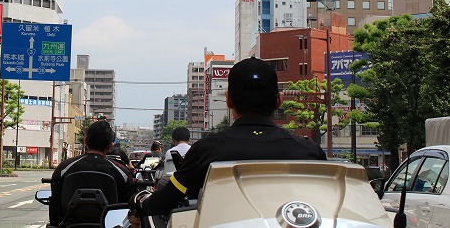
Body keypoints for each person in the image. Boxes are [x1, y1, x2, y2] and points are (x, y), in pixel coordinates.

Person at [133, 57, 327, 216]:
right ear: (279, 101)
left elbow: (161, 203)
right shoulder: (309, 152)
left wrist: (139, 200)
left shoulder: (206, 151)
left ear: (228, 99)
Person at [49, 120, 134, 226]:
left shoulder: (63, 168)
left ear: (86, 141)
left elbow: (55, 205)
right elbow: (125, 207)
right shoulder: (122, 172)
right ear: (109, 146)